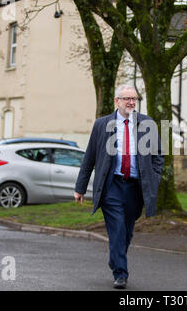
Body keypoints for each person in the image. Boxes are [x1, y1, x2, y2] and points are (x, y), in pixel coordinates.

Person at [74, 85, 164, 289]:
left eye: (134, 98)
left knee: (127, 230)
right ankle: (121, 273)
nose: (131, 102)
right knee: (117, 228)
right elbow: (89, 158)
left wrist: (154, 179)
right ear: (117, 101)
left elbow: (158, 155)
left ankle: (116, 257)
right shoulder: (101, 124)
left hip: (136, 186)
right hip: (111, 185)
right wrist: (80, 187)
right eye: (126, 99)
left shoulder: (147, 123)